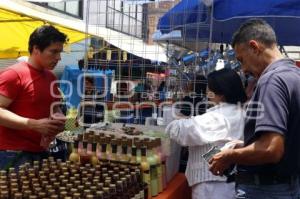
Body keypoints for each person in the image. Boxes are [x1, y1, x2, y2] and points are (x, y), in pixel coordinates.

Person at [209, 19, 300, 199]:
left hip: (265, 189)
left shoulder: (271, 80)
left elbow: (271, 149)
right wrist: (244, 146)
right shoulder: (294, 76)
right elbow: (286, 141)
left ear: (254, 47)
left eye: (241, 60)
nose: (243, 69)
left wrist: (230, 156)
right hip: (288, 186)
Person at [166, 68, 247, 199]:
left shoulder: (220, 116)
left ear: (221, 92)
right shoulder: (239, 111)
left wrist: (172, 122)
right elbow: (218, 144)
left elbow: (182, 132)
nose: (207, 92)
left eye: (209, 89)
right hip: (227, 181)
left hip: (213, 187)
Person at [0, 25, 67, 170]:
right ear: (36, 49)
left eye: (60, 52)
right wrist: (33, 124)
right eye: (54, 52)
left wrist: (58, 120)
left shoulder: (51, 77)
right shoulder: (14, 74)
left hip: (41, 151)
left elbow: (55, 108)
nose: (59, 58)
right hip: (12, 153)